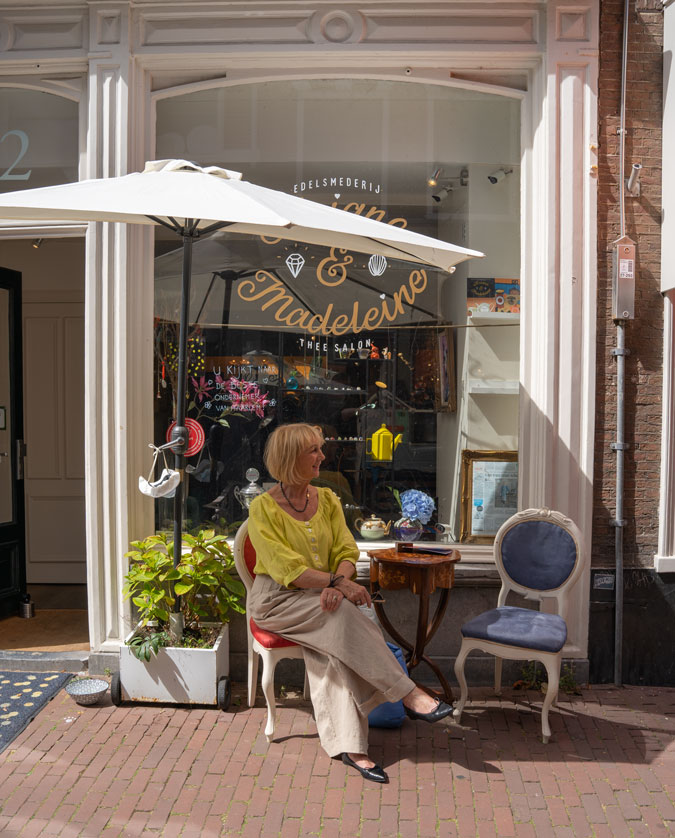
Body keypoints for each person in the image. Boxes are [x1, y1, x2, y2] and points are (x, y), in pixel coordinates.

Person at [246, 422, 453, 784]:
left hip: (323, 596)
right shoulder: (263, 508)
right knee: (341, 616)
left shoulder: (325, 499)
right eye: (313, 450)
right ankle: (408, 693)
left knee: (335, 646)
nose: (322, 456)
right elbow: (286, 569)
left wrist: (336, 584)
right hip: (277, 602)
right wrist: (337, 583)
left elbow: (346, 549)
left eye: (319, 449)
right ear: (291, 457)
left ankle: (354, 748)